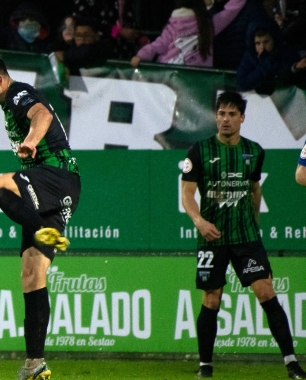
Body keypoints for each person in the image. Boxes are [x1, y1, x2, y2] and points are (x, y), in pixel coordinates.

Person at [0, 53, 79, 380]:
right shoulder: (2, 92)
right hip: (59, 189)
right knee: (32, 273)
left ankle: (40, 230)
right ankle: (36, 364)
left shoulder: (20, 93)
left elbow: (41, 114)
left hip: (54, 173)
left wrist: (32, 140)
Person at [180, 91, 306, 379]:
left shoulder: (254, 151)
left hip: (246, 238)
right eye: (221, 113)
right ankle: (205, 367)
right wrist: (199, 221)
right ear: (216, 116)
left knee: (266, 292)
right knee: (212, 298)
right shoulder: (199, 151)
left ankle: (291, 363)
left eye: (232, 114)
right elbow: (187, 194)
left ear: (242, 118)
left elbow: (254, 189)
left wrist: (255, 223)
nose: (225, 119)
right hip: (212, 239)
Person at [131, 0, 244, 68]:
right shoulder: (209, 26)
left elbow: (158, 44)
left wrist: (140, 56)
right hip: (197, 79)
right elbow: (230, 11)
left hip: (170, 74)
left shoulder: (174, 24)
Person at [236, 20, 300, 94]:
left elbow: (287, 78)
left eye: (266, 42)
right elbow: (242, 82)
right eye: (258, 43)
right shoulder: (249, 56)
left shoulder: (287, 53)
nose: (262, 47)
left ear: (274, 39)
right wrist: (265, 65)